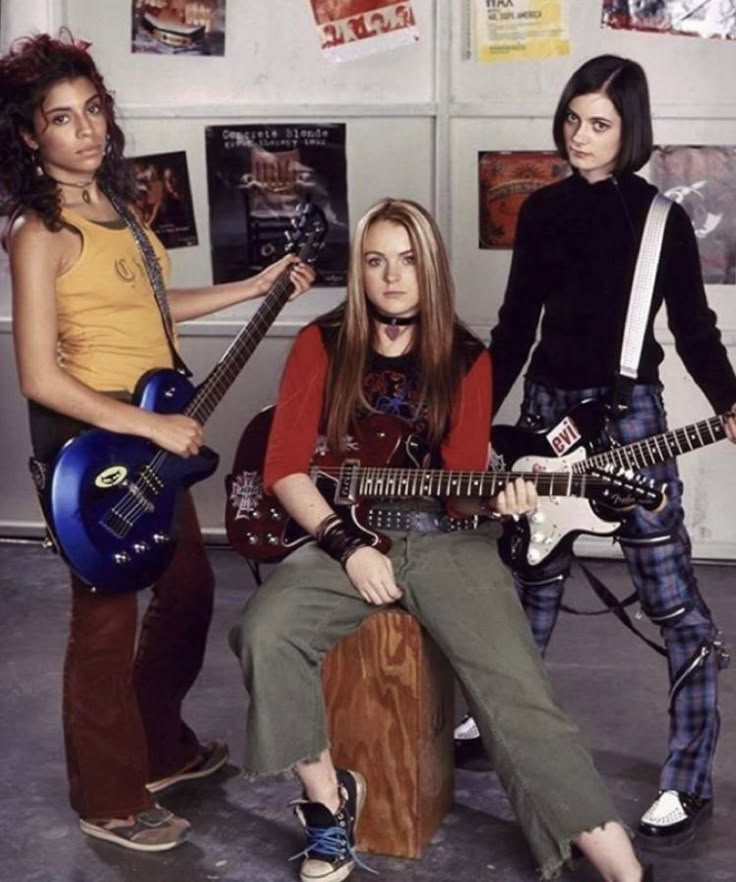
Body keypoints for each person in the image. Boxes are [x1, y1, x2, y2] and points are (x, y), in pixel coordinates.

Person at [229, 197, 653, 882]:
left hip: (448, 538)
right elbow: (283, 468)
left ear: (431, 270)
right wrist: (348, 547)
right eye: (376, 261)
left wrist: (504, 495)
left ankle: (619, 863)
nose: (392, 277)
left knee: (515, 688)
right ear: (359, 270)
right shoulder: (323, 342)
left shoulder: (466, 358)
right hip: (349, 535)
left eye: (407, 260)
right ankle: (329, 808)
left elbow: (459, 484)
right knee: (265, 629)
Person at [0, 32, 314, 852]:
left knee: (189, 593)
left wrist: (255, 284)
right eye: (61, 120)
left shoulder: (124, 212)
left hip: (148, 434)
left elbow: (152, 314)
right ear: (31, 137)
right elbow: (39, 373)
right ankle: (106, 795)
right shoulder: (38, 232)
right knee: (103, 621)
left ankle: (158, 747)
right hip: (92, 444)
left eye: (93, 110)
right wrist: (148, 425)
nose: (86, 131)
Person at [455, 54, 736, 849]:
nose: (581, 136)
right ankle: (495, 720)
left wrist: (730, 401)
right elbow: (515, 328)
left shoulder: (661, 222)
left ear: (631, 132)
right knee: (527, 585)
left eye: (601, 125)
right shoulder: (541, 213)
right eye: (573, 119)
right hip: (547, 410)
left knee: (672, 598)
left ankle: (687, 777)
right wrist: (473, 422)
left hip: (632, 421)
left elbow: (695, 333)